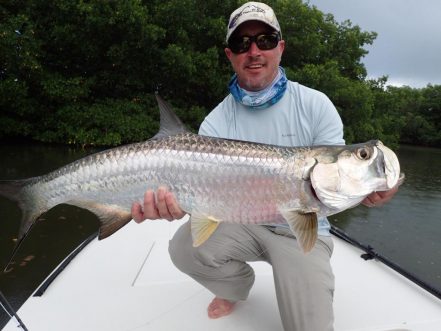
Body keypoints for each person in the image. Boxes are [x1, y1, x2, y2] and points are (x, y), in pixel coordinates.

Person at [131, 2, 398, 330]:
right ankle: (235, 287)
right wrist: (175, 205)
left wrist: (374, 187)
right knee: (184, 248)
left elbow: (335, 186)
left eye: (266, 40)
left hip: (302, 227)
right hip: (237, 221)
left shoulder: (316, 105)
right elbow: (202, 200)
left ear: (280, 48)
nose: (254, 51)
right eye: (243, 44)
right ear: (230, 55)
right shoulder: (216, 121)